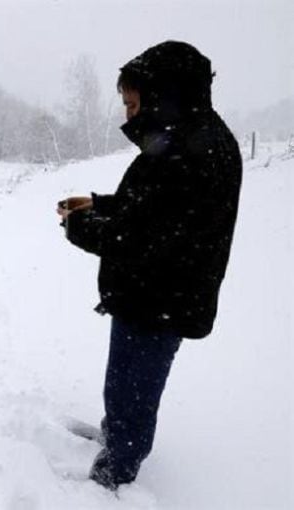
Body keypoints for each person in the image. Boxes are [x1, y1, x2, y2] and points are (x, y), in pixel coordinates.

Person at [57, 40, 242, 490]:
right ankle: (116, 436)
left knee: (134, 390)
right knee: (124, 384)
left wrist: (79, 225)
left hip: (160, 301)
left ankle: (113, 474)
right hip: (153, 295)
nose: (129, 116)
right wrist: (98, 202)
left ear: (162, 97)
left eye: (133, 104)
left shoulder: (191, 154)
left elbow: (140, 237)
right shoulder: (189, 139)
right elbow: (149, 208)